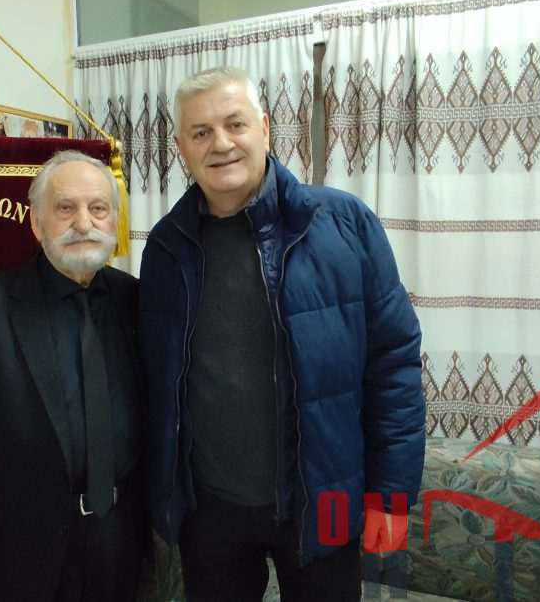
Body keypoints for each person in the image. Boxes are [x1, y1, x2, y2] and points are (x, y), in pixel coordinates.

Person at [139, 67, 424, 601]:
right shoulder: (165, 247)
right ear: (181, 148)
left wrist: (391, 495)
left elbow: (394, 365)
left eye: (235, 124)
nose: (220, 143)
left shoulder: (344, 223)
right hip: (211, 511)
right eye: (201, 132)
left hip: (324, 498)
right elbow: (155, 380)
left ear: (265, 128)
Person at [0, 151, 145, 601]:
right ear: (37, 223)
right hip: (17, 555)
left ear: (115, 222)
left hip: (121, 544)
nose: (84, 223)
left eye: (98, 208)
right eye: (66, 208)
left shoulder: (137, 301)